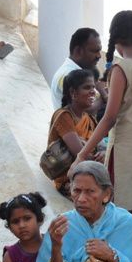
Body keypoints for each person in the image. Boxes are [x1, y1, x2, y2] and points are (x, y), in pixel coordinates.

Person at [70, 10, 132, 229]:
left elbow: (110, 117)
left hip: (126, 152)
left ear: (116, 38)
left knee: (120, 217)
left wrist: (82, 155)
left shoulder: (121, 69)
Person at [47, 69, 102, 198]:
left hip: (90, 172)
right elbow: (80, 154)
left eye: (93, 87)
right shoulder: (64, 116)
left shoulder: (88, 118)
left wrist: (103, 153)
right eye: (87, 87)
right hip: (69, 181)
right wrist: (95, 155)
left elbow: (98, 147)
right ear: (73, 93)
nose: (93, 91)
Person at [50, 28, 105, 110]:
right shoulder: (67, 74)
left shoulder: (80, 73)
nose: (99, 56)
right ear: (78, 51)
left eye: (99, 51)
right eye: (94, 51)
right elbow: (85, 110)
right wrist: (103, 95)